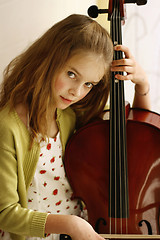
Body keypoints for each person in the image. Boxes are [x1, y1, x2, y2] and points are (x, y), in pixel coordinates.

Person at [0, 14, 150, 240]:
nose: (77, 92)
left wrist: (142, 85)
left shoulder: (70, 115)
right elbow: (6, 213)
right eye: (72, 75)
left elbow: (139, 138)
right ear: (48, 59)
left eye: (89, 84)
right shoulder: (9, 127)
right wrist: (72, 225)